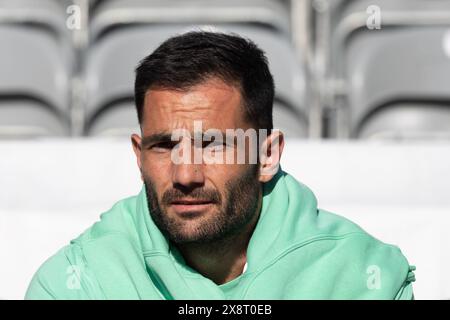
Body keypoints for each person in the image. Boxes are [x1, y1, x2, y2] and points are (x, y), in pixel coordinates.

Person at [25, 31, 415, 299]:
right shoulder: (77, 282)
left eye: (212, 145)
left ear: (267, 155)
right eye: (163, 146)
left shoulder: (365, 278)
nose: (185, 175)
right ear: (139, 155)